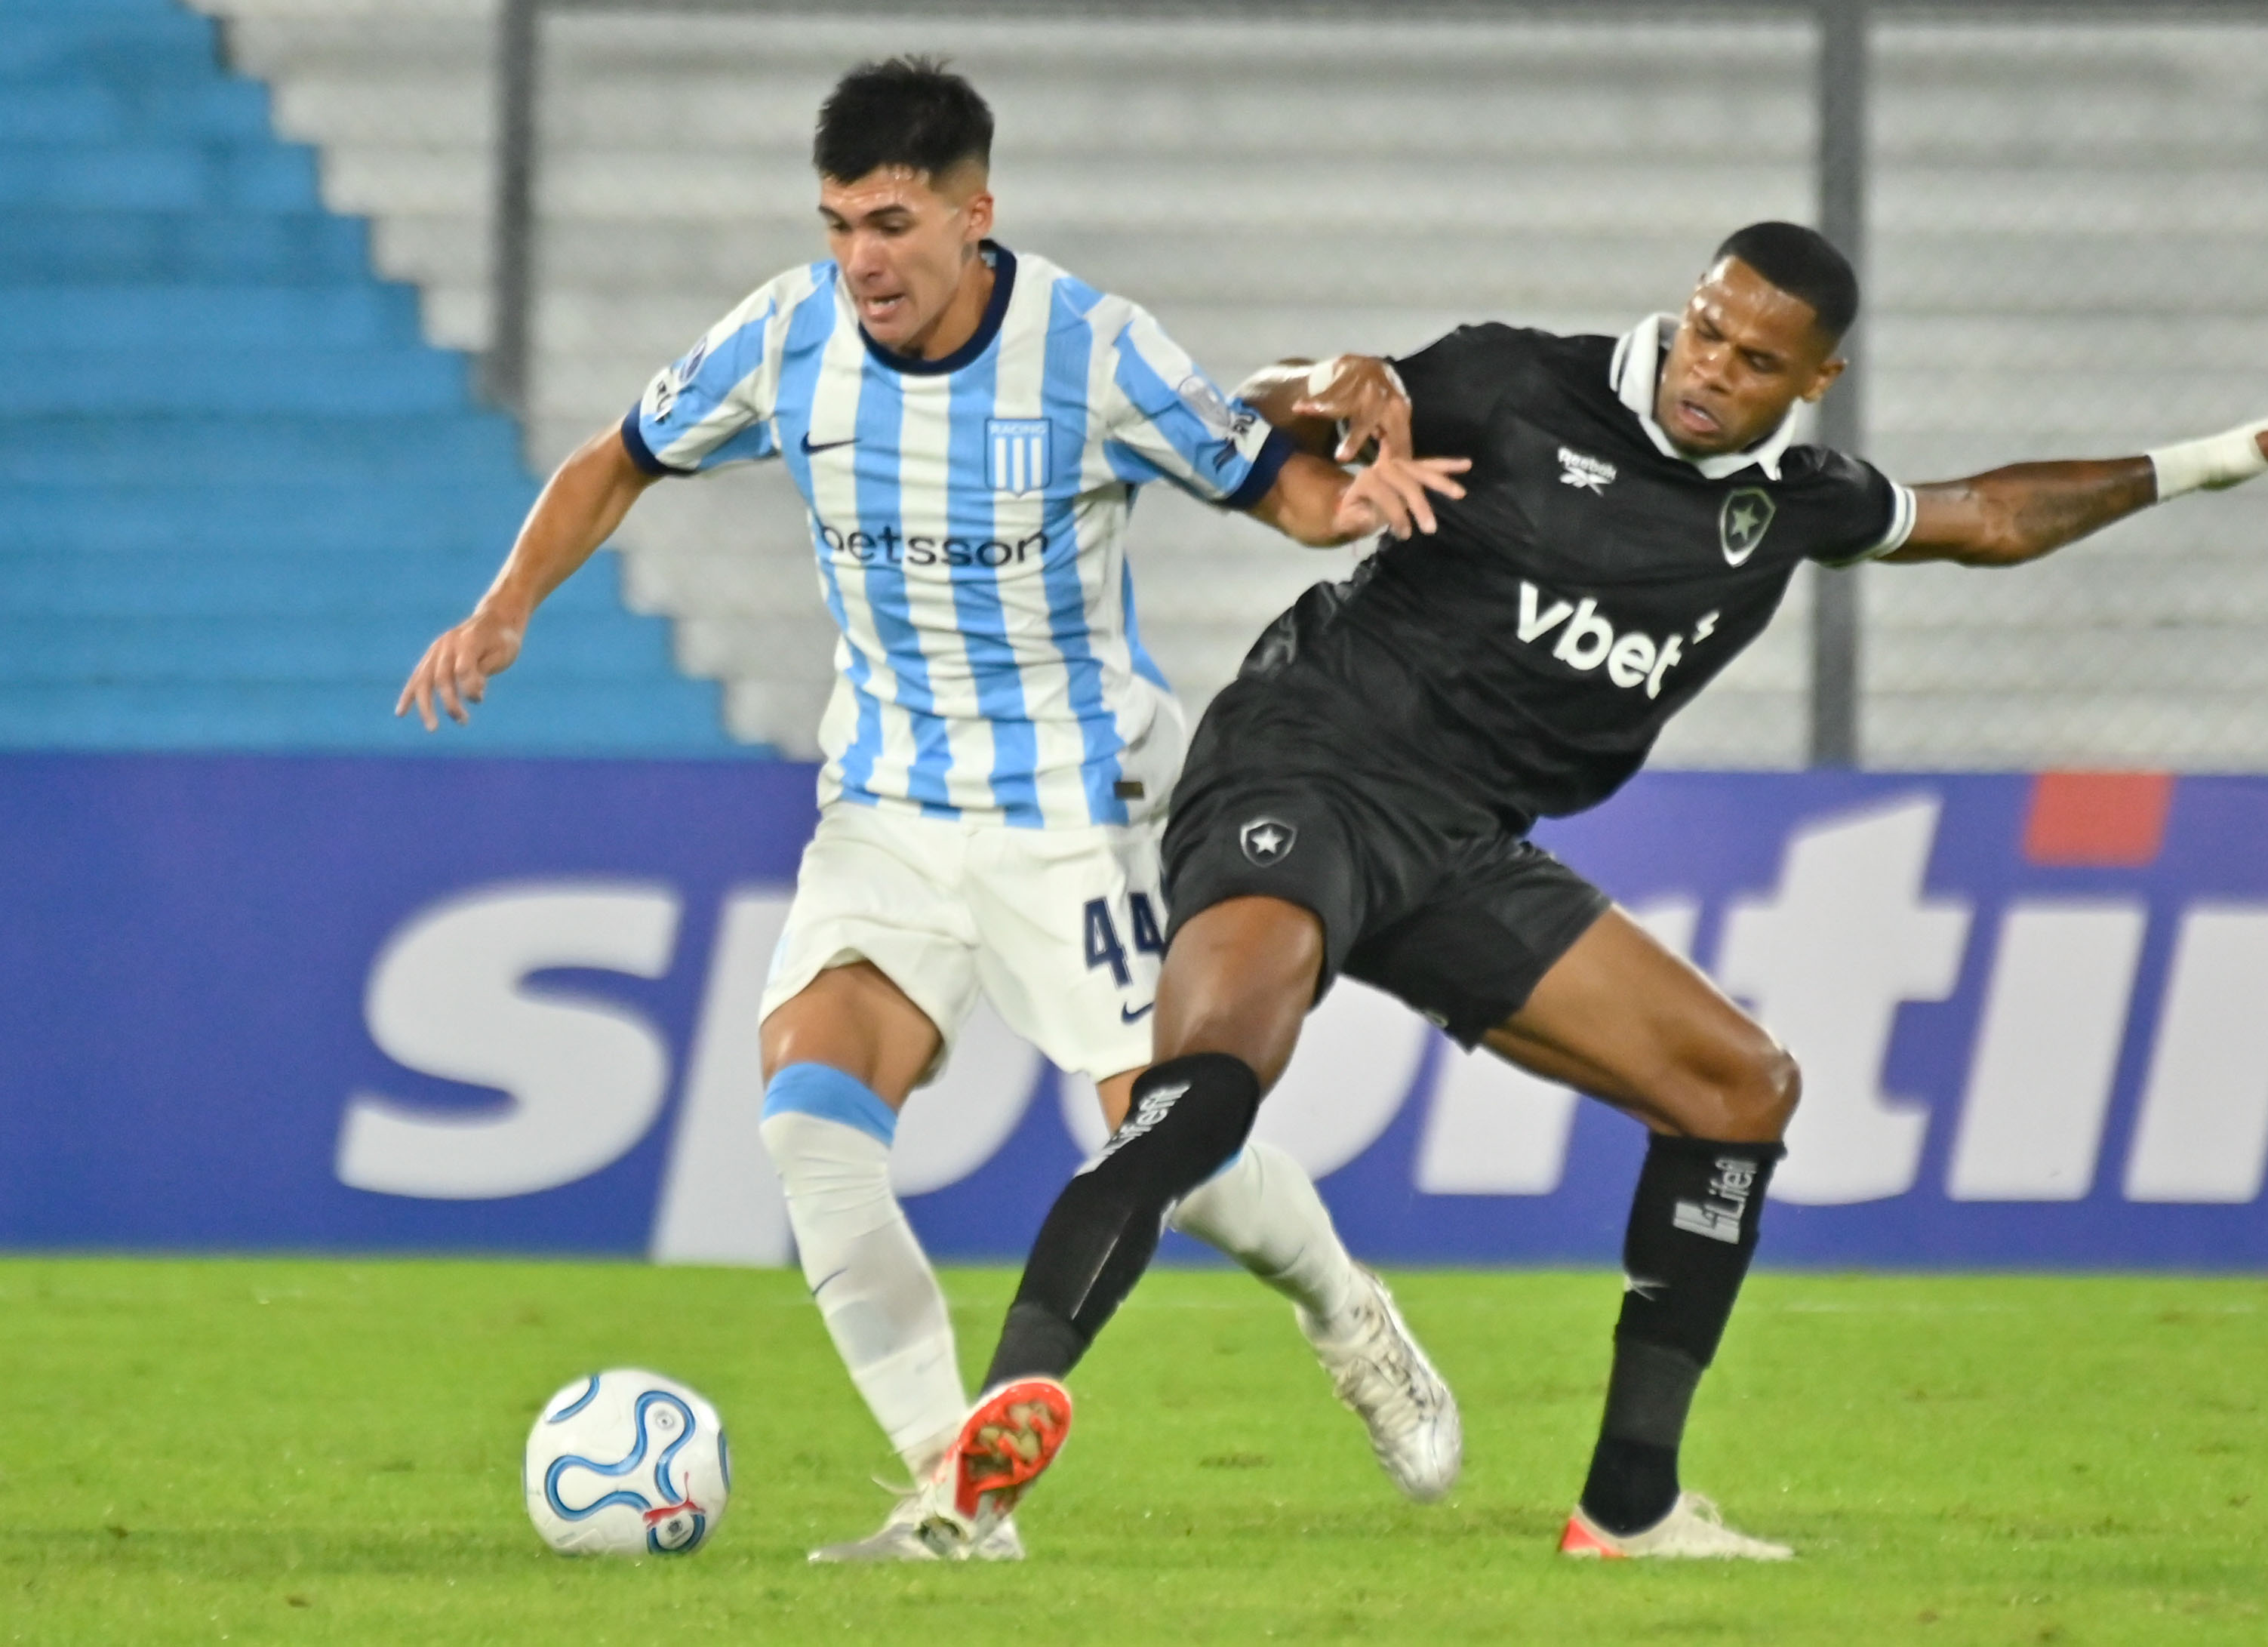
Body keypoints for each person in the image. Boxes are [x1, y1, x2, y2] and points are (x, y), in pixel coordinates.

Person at [902, 220, 2268, 1560]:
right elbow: (1275, 406)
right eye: (1705, 330)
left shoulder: (1794, 503)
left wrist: (2210, 458)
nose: (1709, 369)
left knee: (1738, 1089)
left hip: (1464, 842)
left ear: (1817, 378)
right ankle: (990, 1452)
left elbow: (1983, 517)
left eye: (1754, 359)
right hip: (1309, 764)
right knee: (1216, 1075)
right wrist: (1325, 379)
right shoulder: (1514, 384)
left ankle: (1630, 1509)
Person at [394, 57, 1471, 1562]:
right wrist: (506, 606)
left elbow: (1266, 480)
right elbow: (615, 458)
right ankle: (954, 1495)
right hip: (886, 803)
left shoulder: (1092, 350)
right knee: (810, 1123)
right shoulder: (784, 338)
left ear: (976, 215)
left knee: (1174, 1154)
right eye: (838, 223)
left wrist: (1348, 500)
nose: (860, 260)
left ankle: (1348, 1312)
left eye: (891, 222)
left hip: (1071, 810)